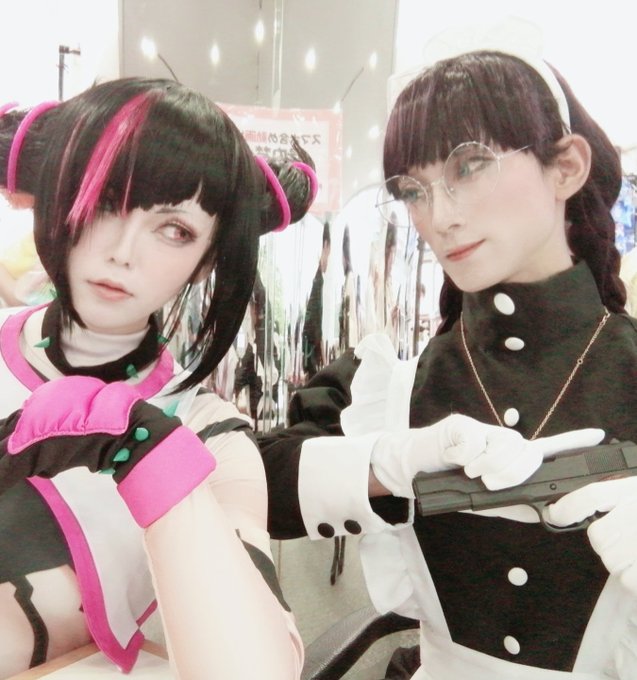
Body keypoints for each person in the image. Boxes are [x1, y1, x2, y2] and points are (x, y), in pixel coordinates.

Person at [258, 23, 637, 680]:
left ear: (566, 167)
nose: (437, 217)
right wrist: (386, 463)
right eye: (413, 189)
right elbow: (255, 483)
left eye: (469, 166)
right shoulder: (389, 382)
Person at [0, 78, 316, 679]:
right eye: (102, 200)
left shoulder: (210, 434)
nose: (122, 251)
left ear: (205, 261)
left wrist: (144, 450)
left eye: (175, 229)